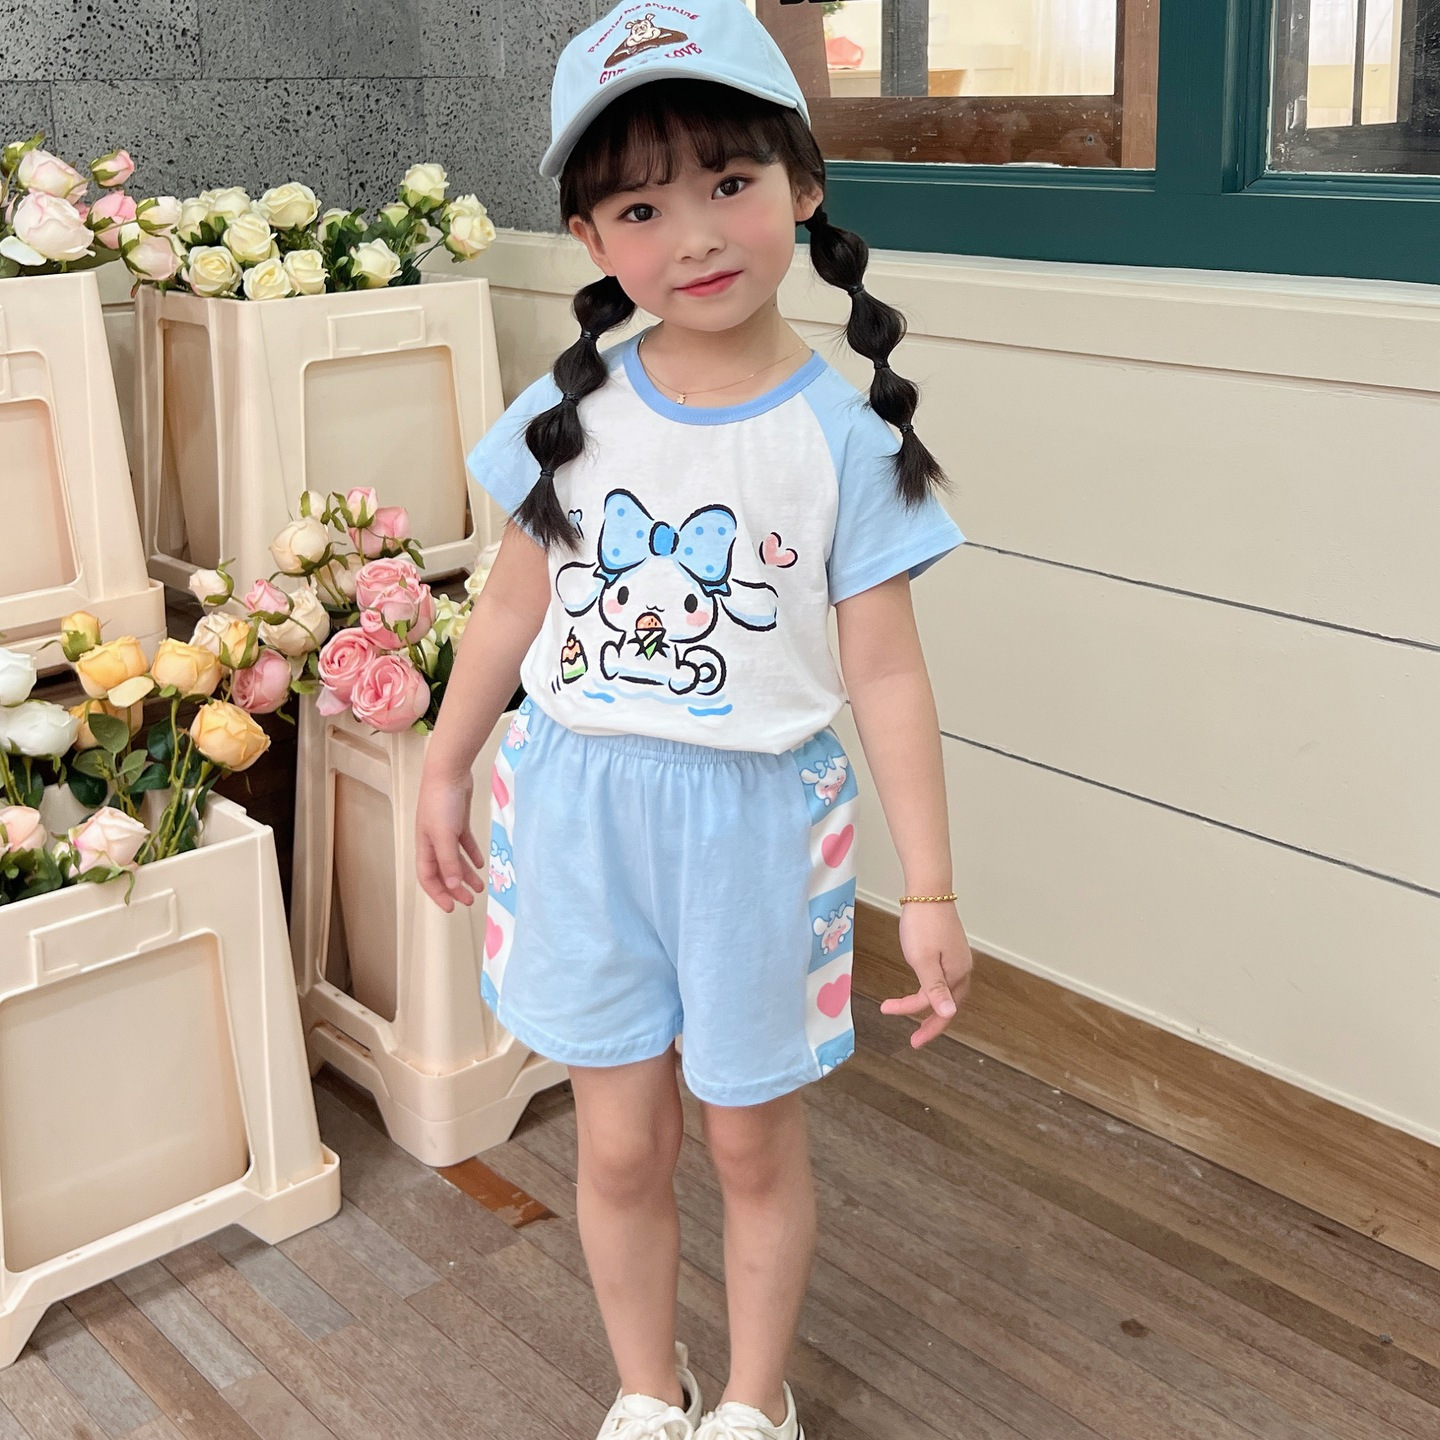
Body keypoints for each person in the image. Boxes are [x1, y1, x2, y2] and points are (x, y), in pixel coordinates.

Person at [415, 3, 975, 1436]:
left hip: (754, 835)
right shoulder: (569, 414)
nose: (697, 235)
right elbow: (509, 609)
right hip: (578, 814)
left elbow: (889, 678)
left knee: (748, 1144)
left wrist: (930, 888)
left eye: (730, 181)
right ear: (592, 240)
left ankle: (752, 1403)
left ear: (804, 185)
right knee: (617, 1148)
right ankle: (644, 1391)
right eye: (641, 206)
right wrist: (445, 763)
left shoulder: (847, 443)